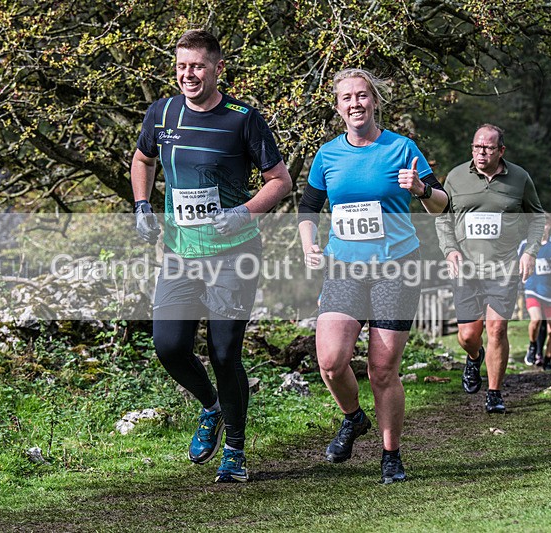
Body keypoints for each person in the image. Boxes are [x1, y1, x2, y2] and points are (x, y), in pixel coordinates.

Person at [130, 29, 292, 483]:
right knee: (169, 346)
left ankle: (236, 451)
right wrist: (143, 205)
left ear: (218, 68)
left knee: (224, 353)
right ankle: (212, 407)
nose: (188, 74)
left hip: (234, 254)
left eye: (197, 66)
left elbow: (280, 181)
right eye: (182, 66)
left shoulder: (243, 119)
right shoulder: (161, 113)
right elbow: (142, 160)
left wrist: (243, 213)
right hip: (181, 253)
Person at [297, 68, 448, 484]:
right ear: (338, 107)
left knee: (382, 369)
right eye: (347, 98)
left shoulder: (402, 148)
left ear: (375, 101)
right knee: (330, 362)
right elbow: (308, 210)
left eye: (362, 96)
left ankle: (391, 456)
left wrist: (420, 189)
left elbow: (442, 203)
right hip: (344, 268)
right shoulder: (327, 155)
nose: (356, 104)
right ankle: (353, 417)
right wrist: (309, 244)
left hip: (396, 269)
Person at [435, 124, 544, 414]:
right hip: (466, 269)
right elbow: (442, 218)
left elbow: (537, 218)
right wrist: (450, 250)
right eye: (476, 147)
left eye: (487, 148)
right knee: (469, 335)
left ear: (501, 151)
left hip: (504, 266)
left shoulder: (519, 178)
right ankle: (474, 357)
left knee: (497, 328)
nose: (481, 153)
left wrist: (530, 252)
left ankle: (494, 392)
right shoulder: (456, 177)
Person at [518, 214, 551, 370]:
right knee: (536, 320)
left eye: (545, 224)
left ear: (549, 225)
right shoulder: (525, 245)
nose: (542, 228)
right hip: (532, 289)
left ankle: (548, 359)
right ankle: (533, 345)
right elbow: (515, 265)